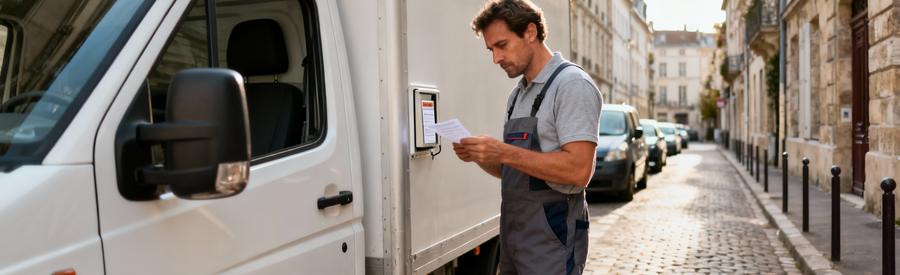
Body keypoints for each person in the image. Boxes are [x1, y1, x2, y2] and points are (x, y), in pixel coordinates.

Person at [455, 1, 603, 274]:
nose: (496, 59)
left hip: (552, 240)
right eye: (491, 50)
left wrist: (503, 151)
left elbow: (579, 170)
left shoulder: (571, 85)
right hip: (514, 237)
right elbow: (518, 171)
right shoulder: (518, 95)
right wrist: (481, 156)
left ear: (530, 32)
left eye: (502, 45)